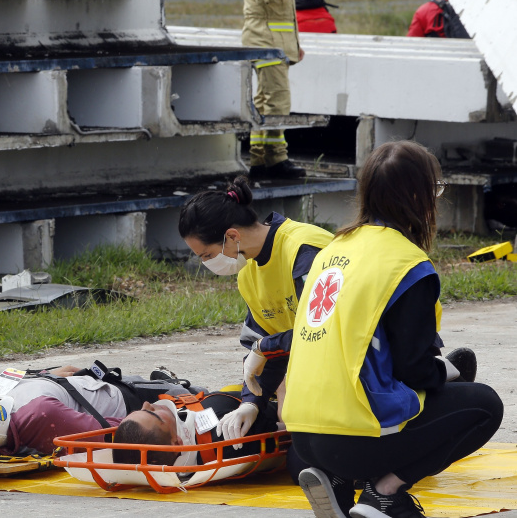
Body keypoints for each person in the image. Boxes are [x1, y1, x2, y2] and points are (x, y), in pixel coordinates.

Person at [283, 141, 503, 518]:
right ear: (418, 195)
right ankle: (384, 493)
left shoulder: (332, 250)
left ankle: (335, 480)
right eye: (436, 190)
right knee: (484, 405)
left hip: (301, 435)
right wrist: (445, 373)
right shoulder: (406, 263)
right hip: (354, 436)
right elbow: (412, 368)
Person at [178, 176, 334, 449]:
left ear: (232, 236)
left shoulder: (304, 250)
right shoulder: (248, 272)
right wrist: (250, 403)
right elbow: (259, 347)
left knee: (309, 461)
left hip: (357, 369)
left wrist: (265, 347)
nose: (206, 264)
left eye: (206, 255)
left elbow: (326, 332)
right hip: (319, 373)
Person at [0, 364, 197, 459]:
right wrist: (163, 409)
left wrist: (47, 374)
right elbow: (125, 435)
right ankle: (171, 386)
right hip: (131, 398)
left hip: (83, 382)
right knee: (195, 396)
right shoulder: (38, 416)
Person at [241, 0, 316, 179]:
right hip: (265, 43)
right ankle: (275, 160)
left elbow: (281, 13)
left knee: (265, 102)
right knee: (277, 101)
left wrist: (294, 45)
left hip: (273, 44)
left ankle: (258, 160)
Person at [112, 389, 286, 474]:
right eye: (152, 413)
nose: (146, 404)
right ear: (177, 443)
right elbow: (288, 429)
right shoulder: (228, 432)